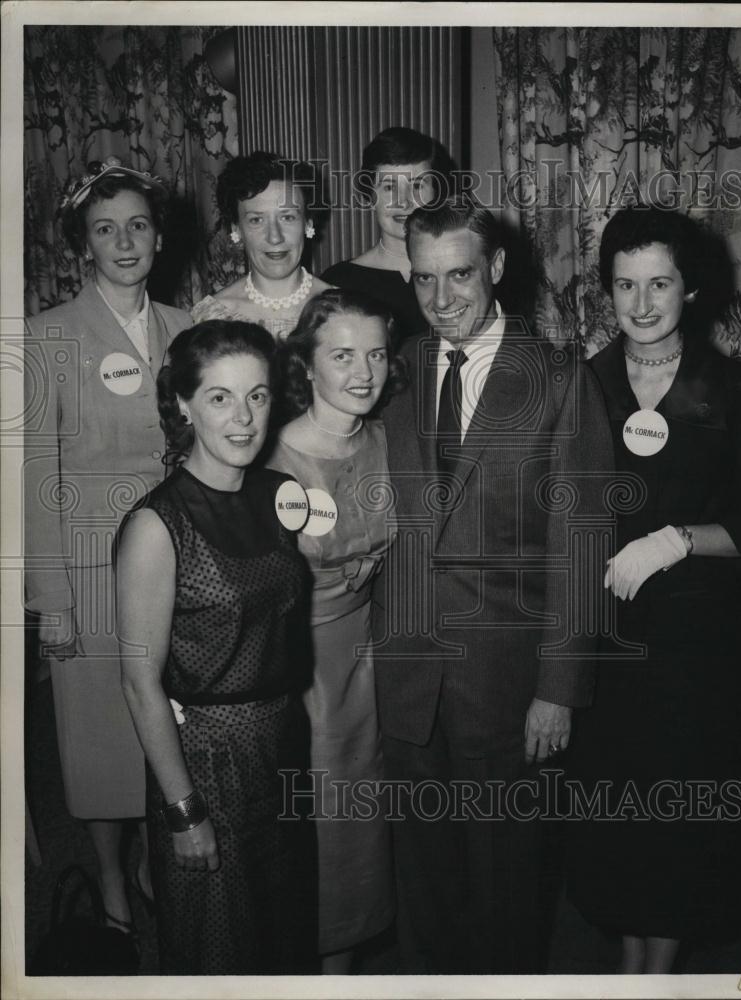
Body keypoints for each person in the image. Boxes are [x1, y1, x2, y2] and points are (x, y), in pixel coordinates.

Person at [371, 195, 614, 973]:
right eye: (422, 280)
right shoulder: (394, 368)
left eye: (459, 277)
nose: (440, 301)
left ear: (497, 268)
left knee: (506, 879)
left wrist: (559, 688)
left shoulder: (557, 378)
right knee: (423, 878)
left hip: (508, 684)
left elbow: (581, 544)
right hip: (405, 672)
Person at [566, 205, 741, 974]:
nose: (640, 305)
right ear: (604, 291)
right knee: (620, 828)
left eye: (658, 284)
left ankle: (656, 979)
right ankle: (632, 974)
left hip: (696, 650)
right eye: (624, 285)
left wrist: (678, 539)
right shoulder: (581, 385)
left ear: (689, 289)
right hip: (606, 652)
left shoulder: (735, 391)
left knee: (678, 827)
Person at [115, 320, 316, 973]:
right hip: (206, 762)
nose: (243, 417)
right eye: (220, 397)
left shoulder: (277, 495)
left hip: (281, 745)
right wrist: (181, 812)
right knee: (218, 949)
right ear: (181, 403)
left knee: (285, 935)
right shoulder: (157, 525)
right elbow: (139, 683)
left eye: (256, 396)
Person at [24, 157, 191, 934]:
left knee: (170, 723)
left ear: (158, 237)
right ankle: (110, 877)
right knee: (97, 743)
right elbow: (30, 477)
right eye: (104, 229)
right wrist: (49, 603)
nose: (123, 241)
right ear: (82, 246)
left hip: (179, 564)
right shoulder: (45, 335)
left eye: (137, 225)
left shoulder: (187, 329)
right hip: (90, 575)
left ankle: (162, 865)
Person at [267, 289, 405, 972]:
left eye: (376, 354)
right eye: (342, 355)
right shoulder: (273, 462)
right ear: (307, 364)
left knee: (360, 830)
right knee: (312, 827)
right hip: (299, 671)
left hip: (369, 659)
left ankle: (339, 975)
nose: (363, 373)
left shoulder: (384, 438)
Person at [321, 126, 452, 340]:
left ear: (437, 193)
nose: (404, 201)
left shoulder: (462, 276)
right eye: (389, 188)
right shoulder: (338, 284)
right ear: (370, 196)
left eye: (418, 185)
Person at [191, 151, 330, 341]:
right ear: (237, 229)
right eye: (256, 220)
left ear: (308, 223)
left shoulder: (341, 310)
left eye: (287, 217)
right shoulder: (213, 318)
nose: (275, 237)